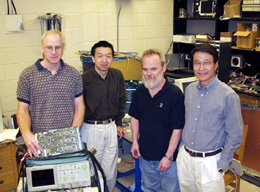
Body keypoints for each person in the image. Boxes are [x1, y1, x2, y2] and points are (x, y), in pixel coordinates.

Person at [176, 44, 243, 192]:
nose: (201, 68)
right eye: (197, 63)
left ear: (216, 65)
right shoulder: (190, 90)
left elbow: (235, 134)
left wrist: (221, 165)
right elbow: (186, 122)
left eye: (206, 63)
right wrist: (181, 149)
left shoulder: (228, 95)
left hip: (210, 162)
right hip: (186, 158)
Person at [17, 30, 85, 158]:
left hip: (67, 142)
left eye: (57, 47)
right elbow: (22, 110)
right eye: (49, 47)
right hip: (40, 143)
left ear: (63, 48)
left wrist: (71, 134)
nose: (54, 52)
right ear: (42, 48)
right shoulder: (27, 75)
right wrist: (26, 134)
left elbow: (79, 107)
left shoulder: (73, 74)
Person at [129, 49, 185, 192]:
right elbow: (135, 117)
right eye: (145, 69)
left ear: (163, 68)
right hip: (145, 158)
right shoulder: (140, 92)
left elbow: (177, 129)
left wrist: (169, 156)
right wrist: (135, 141)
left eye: (153, 69)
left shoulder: (175, 95)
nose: (149, 73)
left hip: (168, 160)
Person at [80, 40, 127, 192]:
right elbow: (78, 107)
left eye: (108, 56)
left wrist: (119, 123)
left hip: (111, 127)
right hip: (90, 129)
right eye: (100, 56)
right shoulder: (84, 79)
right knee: (92, 170)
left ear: (113, 58)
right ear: (93, 58)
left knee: (110, 170)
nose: (104, 60)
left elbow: (122, 100)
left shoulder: (117, 75)